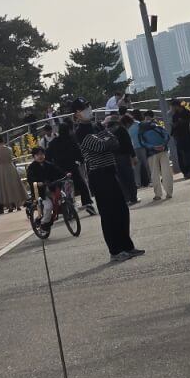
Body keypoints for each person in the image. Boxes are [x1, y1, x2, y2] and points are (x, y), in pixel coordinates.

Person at [74, 100, 144, 262]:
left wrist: (105, 140)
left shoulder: (97, 126)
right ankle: (115, 250)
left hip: (111, 170)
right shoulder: (80, 132)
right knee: (108, 213)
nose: (88, 110)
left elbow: (115, 141)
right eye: (83, 109)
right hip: (98, 174)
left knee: (121, 209)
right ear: (77, 113)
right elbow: (100, 146)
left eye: (88, 107)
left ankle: (127, 246)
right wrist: (105, 140)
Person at [46, 122, 96, 214]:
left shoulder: (53, 143)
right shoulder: (71, 141)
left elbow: (48, 156)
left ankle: (61, 207)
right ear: (68, 130)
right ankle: (87, 203)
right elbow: (78, 154)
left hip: (58, 169)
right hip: (72, 168)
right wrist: (80, 160)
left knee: (58, 188)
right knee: (82, 186)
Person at [138, 110, 173, 201]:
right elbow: (166, 135)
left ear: (144, 118)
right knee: (166, 171)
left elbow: (142, 142)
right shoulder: (157, 125)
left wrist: (153, 147)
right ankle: (169, 193)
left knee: (154, 174)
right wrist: (163, 145)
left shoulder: (141, 128)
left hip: (151, 153)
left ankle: (158, 194)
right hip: (163, 150)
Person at [26, 146, 64, 229]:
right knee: (48, 207)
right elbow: (30, 179)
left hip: (51, 188)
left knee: (62, 198)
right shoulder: (32, 167)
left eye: (42, 154)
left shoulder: (49, 164)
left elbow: (57, 171)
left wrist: (65, 174)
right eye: (37, 155)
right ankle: (43, 224)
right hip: (40, 193)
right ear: (34, 156)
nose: (40, 156)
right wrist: (37, 183)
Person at [107, 114, 140, 206]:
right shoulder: (121, 129)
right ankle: (133, 198)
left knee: (121, 178)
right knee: (129, 176)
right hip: (124, 156)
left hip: (113, 157)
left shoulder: (107, 132)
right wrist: (133, 156)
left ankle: (126, 198)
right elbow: (128, 143)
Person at [0, 135, 27, 212]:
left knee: (5, 187)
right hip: (11, 167)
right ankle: (18, 204)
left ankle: (10, 206)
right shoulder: (9, 149)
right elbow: (11, 158)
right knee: (14, 186)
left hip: (2, 169)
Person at [170, 99, 190, 178]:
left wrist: (181, 123)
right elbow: (174, 126)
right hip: (180, 139)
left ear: (176, 106)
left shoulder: (187, 113)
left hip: (189, 137)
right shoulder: (175, 115)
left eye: (172, 106)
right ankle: (186, 172)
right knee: (182, 156)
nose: (171, 108)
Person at [127, 109, 151, 188]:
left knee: (145, 164)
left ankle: (147, 181)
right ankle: (139, 182)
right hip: (136, 147)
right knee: (140, 165)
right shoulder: (131, 125)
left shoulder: (138, 124)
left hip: (141, 146)